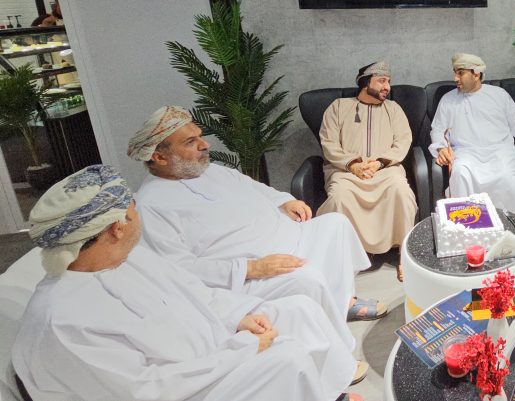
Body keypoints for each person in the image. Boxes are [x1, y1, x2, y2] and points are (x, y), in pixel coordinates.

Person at [13, 165, 363, 401]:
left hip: (206, 353)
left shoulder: (126, 259)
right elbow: (145, 389)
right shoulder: (64, 320)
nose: (139, 216)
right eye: (133, 210)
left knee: (299, 310)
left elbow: (195, 293)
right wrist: (244, 349)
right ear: (117, 228)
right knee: (288, 358)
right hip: (184, 389)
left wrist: (238, 318)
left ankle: (330, 392)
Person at [128, 106, 387, 326]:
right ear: (160, 157)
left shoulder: (210, 170)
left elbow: (255, 187)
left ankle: (342, 302)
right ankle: (333, 348)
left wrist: (284, 200)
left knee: (335, 224)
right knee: (308, 279)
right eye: (190, 142)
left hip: (286, 236)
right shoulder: (151, 206)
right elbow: (179, 269)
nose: (204, 144)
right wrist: (251, 268)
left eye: (200, 136)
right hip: (249, 273)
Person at [429, 53, 515, 232]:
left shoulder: (499, 95)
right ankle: (467, 235)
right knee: (460, 173)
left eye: (460, 73)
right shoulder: (448, 99)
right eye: (455, 72)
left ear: (476, 74)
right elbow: (437, 130)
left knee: (507, 178)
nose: (455, 78)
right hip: (466, 154)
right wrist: (441, 148)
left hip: (501, 152)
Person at [318, 60, 416, 277]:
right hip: (345, 171)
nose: (387, 87)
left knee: (401, 191)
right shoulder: (338, 107)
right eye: (381, 81)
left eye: (388, 82)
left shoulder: (394, 109)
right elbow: (329, 143)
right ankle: (346, 258)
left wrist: (379, 163)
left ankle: (406, 258)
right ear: (365, 83)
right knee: (339, 196)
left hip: (385, 171)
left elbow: (403, 142)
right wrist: (353, 165)